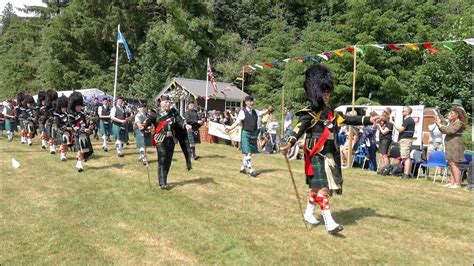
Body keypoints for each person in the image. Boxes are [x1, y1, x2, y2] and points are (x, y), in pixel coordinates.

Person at [280, 64, 380, 234]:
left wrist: (370, 120)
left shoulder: (332, 114)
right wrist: (288, 143)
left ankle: (308, 213)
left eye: (327, 93)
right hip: (314, 155)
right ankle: (329, 222)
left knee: (316, 187)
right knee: (323, 188)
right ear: (316, 93)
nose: (326, 96)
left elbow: (350, 119)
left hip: (329, 155)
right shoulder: (308, 113)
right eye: (323, 93)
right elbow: (298, 129)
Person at [151, 95, 192, 190]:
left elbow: (180, 121)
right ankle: (162, 183)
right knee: (162, 158)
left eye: (169, 102)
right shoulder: (155, 113)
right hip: (160, 138)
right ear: (161, 103)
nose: (168, 104)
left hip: (171, 139)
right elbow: (149, 121)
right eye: (166, 102)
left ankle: (164, 179)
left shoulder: (174, 113)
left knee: (168, 161)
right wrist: (144, 126)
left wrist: (185, 125)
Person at [225, 95, 269, 177]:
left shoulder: (255, 111)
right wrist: (230, 128)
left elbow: (263, 113)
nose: (252, 103)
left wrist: (269, 110)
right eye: (250, 101)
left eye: (252, 101)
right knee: (248, 153)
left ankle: (242, 169)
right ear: (246, 102)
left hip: (253, 134)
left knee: (249, 153)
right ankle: (251, 171)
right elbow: (237, 122)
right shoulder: (242, 112)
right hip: (245, 133)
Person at [435, 107, 467, 189]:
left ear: (457, 115)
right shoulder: (453, 122)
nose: (450, 114)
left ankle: (457, 184)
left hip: (455, 145)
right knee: (450, 164)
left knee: (454, 164)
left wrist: (440, 124)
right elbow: (444, 127)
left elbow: (450, 131)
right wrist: (438, 117)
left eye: (452, 113)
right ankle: (452, 182)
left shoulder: (459, 123)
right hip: (450, 144)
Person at [68, 92, 94, 172]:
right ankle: (80, 165)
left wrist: (90, 126)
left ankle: (79, 163)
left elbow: (85, 123)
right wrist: (83, 129)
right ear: (74, 106)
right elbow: (73, 126)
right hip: (77, 134)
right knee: (80, 150)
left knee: (84, 150)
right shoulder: (71, 115)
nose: (79, 108)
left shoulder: (82, 113)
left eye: (80, 106)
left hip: (84, 135)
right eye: (77, 106)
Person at [390, 106, 415, 179]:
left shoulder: (408, 120)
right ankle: (408, 173)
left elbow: (400, 129)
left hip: (405, 140)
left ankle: (406, 174)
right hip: (406, 140)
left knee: (405, 157)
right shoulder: (409, 120)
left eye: (403, 111)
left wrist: (392, 122)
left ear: (408, 112)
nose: (402, 112)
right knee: (407, 157)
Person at [53, 96, 71, 161]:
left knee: (66, 145)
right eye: (63, 108)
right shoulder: (57, 115)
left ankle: (63, 154)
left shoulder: (68, 114)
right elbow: (58, 124)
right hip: (61, 130)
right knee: (63, 143)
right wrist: (66, 128)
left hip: (68, 131)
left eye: (65, 107)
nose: (64, 109)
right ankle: (62, 155)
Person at [44, 90, 58, 154]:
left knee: (55, 137)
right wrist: (49, 118)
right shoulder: (47, 106)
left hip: (55, 122)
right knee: (50, 136)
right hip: (49, 122)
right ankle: (51, 148)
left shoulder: (57, 104)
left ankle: (54, 148)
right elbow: (46, 115)